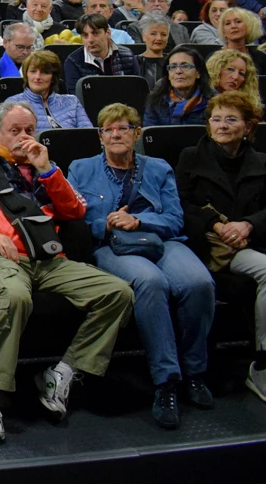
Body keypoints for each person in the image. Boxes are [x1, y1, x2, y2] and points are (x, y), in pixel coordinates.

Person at [0, 103, 134, 442]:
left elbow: (75, 211)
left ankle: (62, 372)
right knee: (12, 296)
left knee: (117, 293)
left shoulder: (44, 167)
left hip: (49, 260)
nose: (24, 138)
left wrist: (48, 170)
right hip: (1, 258)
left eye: (29, 131)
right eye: (15, 131)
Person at [69, 104, 216, 427]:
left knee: (198, 283)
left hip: (160, 239)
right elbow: (74, 218)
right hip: (110, 246)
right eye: (109, 129)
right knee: (151, 283)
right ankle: (166, 381)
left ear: (137, 134)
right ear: (100, 137)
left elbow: (175, 219)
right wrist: (106, 225)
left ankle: (195, 371)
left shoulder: (158, 168)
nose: (116, 134)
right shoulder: (81, 169)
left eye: (124, 128)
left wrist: (138, 220)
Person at [176, 91, 266, 407]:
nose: (222, 125)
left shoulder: (264, 162)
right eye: (216, 119)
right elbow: (182, 203)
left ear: (249, 126)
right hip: (220, 246)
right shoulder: (191, 156)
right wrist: (216, 224)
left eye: (231, 119)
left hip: (259, 238)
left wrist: (249, 225)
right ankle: (264, 363)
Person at [5, 50, 93, 131]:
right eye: (33, 71)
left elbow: (88, 135)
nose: (38, 77)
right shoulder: (13, 103)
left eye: (44, 72)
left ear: (53, 77)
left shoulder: (72, 102)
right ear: (26, 74)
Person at [62, 13, 139, 92]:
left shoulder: (127, 55)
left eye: (95, 33)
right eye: (85, 35)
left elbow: (137, 90)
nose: (90, 40)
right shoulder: (73, 62)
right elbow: (76, 97)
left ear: (108, 33)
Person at [143, 47, 212, 127]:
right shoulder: (155, 102)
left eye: (185, 66)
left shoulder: (213, 102)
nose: (178, 71)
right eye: (173, 67)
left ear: (198, 73)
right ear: (168, 75)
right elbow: (150, 136)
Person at [136, 13, 172, 90]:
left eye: (163, 34)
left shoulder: (172, 63)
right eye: (153, 34)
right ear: (144, 36)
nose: (159, 38)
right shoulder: (133, 62)